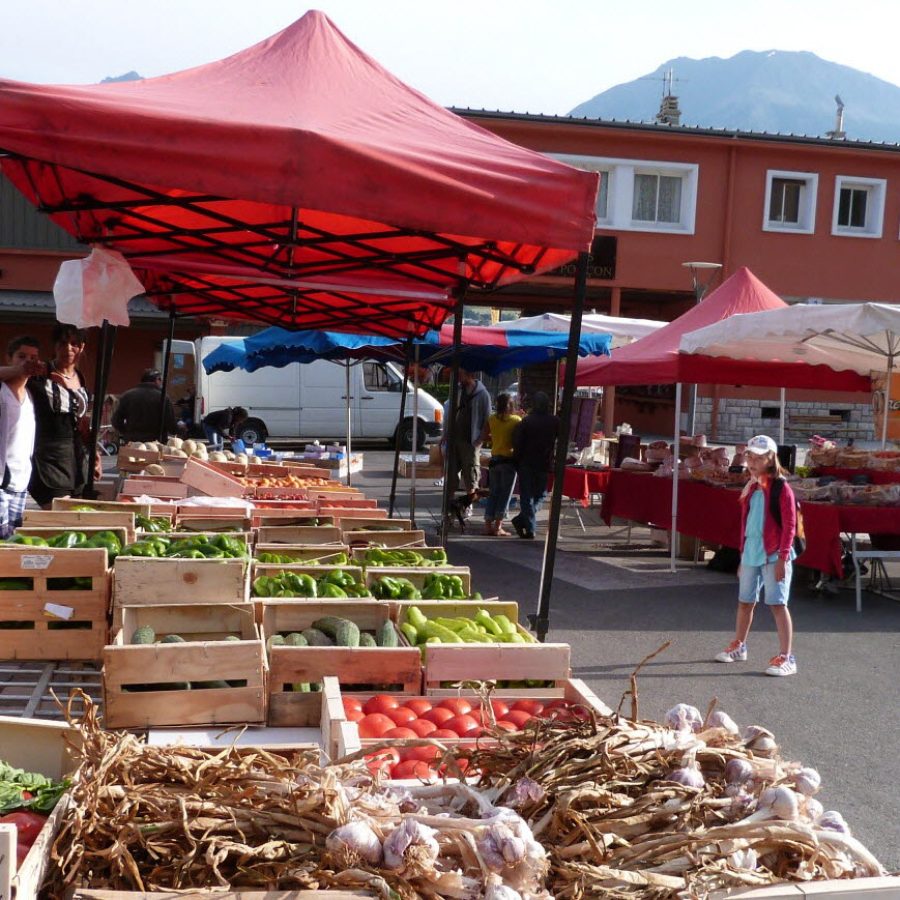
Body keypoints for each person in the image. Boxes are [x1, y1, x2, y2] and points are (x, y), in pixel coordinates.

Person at [715, 434, 798, 677]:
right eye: (750, 456)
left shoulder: (782, 488)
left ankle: (787, 656)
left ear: (770, 459)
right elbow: (746, 523)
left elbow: (790, 525)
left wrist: (783, 557)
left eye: (759, 457)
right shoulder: (751, 487)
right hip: (752, 551)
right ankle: (739, 645)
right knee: (745, 601)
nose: (752, 462)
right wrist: (742, 556)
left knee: (777, 604)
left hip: (774, 553)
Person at [25, 324, 99, 508]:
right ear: (55, 346)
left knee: (76, 517)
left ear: (82, 347)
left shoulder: (80, 377)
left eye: (74, 343)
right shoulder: (40, 374)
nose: (68, 348)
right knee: (59, 515)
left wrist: (94, 452)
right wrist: (23, 369)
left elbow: (82, 424)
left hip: (76, 458)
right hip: (48, 455)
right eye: (63, 343)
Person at [0, 336, 42, 536]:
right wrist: (18, 370)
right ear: (9, 358)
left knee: (12, 545)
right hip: (1, 482)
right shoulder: (2, 392)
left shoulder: (31, 395)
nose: (28, 362)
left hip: (20, 482)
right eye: (22, 356)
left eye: (33, 358)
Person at [510, 391, 559, 539]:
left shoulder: (526, 421)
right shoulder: (555, 421)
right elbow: (563, 440)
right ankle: (528, 526)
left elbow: (517, 443)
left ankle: (522, 521)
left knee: (527, 496)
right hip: (543, 463)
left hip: (526, 463)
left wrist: (516, 461)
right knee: (540, 495)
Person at [446, 369, 492, 512]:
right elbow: (450, 411)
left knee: (471, 476)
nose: (458, 378)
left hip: (470, 442)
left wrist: (479, 440)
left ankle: (467, 507)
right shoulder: (458, 391)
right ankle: (449, 509)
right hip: (454, 439)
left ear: (469, 374)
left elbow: (487, 419)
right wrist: (446, 433)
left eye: (460, 375)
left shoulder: (483, 394)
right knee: (451, 475)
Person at [479, 392, 521, 535]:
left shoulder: (491, 419)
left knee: (493, 493)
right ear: (511, 406)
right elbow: (519, 438)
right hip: (508, 461)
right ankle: (498, 527)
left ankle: (487, 525)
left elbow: (485, 437)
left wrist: (497, 438)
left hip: (494, 460)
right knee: (505, 494)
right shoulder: (516, 420)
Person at [111, 369, 177, 444]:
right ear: (156, 380)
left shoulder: (127, 396)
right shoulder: (163, 397)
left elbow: (116, 421)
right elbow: (171, 425)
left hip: (132, 443)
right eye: (160, 379)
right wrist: (180, 430)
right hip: (156, 444)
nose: (161, 382)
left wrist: (127, 432)